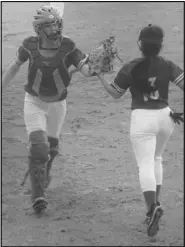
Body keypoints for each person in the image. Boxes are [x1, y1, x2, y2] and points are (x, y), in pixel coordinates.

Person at [2, 4, 94, 214]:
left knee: (51, 149)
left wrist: (97, 66)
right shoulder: (29, 45)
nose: (56, 29)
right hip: (34, 102)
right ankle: (38, 195)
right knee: (39, 147)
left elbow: (87, 71)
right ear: (39, 29)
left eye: (57, 23)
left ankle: (41, 177)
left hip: (58, 105)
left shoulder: (68, 46)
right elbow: (15, 66)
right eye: (50, 26)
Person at [96, 24, 184, 237]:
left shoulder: (131, 67)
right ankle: (155, 205)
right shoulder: (167, 65)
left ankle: (152, 208)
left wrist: (99, 75)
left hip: (142, 119)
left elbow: (115, 93)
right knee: (156, 159)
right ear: (160, 45)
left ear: (140, 45)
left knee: (145, 164)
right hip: (166, 117)